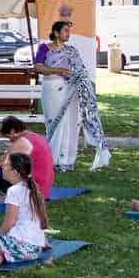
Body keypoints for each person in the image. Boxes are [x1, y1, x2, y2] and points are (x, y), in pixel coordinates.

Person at [32, 20, 111, 171]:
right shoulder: (44, 48)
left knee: (71, 123)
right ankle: (52, 160)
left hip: (71, 89)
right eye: (65, 31)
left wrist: (79, 79)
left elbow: (80, 70)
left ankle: (67, 161)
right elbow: (38, 67)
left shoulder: (72, 51)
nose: (68, 34)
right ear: (56, 33)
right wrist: (57, 70)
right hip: (52, 88)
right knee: (54, 122)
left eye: (69, 31)